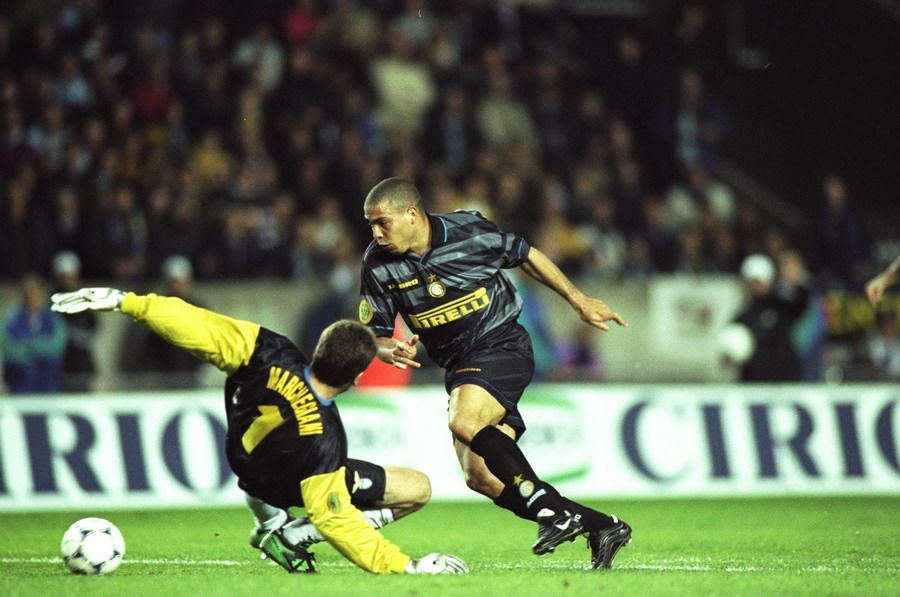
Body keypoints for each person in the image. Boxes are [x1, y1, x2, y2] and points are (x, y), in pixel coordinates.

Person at [50, 287, 466, 575]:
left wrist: (128, 302)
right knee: (418, 488)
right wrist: (407, 566)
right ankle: (291, 534)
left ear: (318, 349)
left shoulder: (270, 352)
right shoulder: (326, 440)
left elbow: (198, 326)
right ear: (356, 378)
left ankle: (270, 523)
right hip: (286, 485)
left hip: (246, 469)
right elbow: (337, 521)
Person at [358, 177, 632, 570]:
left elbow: (526, 255)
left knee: (464, 420)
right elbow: (375, 334)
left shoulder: (468, 231)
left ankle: (549, 512)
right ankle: (602, 527)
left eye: (382, 223)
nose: (376, 233)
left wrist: (579, 300)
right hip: (459, 366)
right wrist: (389, 349)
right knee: (481, 476)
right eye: (371, 224)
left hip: (502, 344)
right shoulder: (377, 263)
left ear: (412, 214)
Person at [734, 253, 811, 382]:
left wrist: (797, 279)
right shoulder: (744, 314)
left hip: (785, 378)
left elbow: (802, 301)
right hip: (753, 380)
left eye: (760, 282)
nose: (757, 286)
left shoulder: (783, 306)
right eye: (753, 282)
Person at [2, 274, 67, 394]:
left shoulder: (53, 319)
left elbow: (56, 347)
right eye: (29, 293)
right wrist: (41, 345)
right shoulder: (12, 319)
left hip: (48, 382)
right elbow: (10, 350)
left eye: (36, 293)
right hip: (20, 383)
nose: (33, 297)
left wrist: (29, 344)